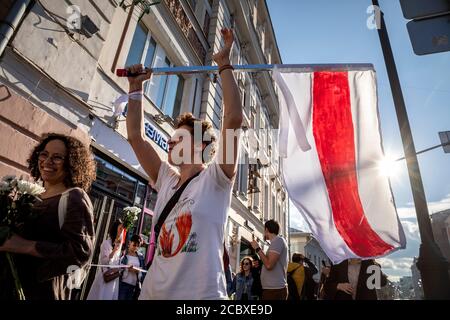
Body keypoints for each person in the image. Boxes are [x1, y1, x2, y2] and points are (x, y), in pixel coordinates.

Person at [125, 28, 242, 300]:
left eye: (179, 138)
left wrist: (224, 64)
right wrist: (135, 89)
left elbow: (233, 120)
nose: (169, 142)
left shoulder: (216, 179)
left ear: (201, 145)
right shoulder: (167, 178)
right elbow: (135, 137)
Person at [0, 133, 96, 300]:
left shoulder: (74, 197)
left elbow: (80, 253)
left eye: (57, 157)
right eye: (44, 154)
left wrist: (25, 246)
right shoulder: (31, 194)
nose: (47, 161)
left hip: (41, 293)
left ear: (71, 163)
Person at [251, 220, 288, 300]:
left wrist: (257, 248)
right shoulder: (276, 242)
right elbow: (269, 263)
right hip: (272, 289)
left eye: (264, 230)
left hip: (275, 290)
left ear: (267, 229)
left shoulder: (278, 241)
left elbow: (269, 265)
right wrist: (261, 263)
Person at [87, 220, 124, 300]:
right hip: (105, 277)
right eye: (120, 228)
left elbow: (116, 262)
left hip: (114, 278)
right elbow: (103, 261)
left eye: (123, 229)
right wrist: (114, 251)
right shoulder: (106, 243)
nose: (122, 231)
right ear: (115, 229)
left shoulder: (119, 244)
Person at [118, 234, 145, 300]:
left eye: (138, 246)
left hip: (133, 287)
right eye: (134, 245)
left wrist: (138, 271)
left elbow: (143, 272)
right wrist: (127, 269)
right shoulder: (124, 255)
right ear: (130, 242)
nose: (135, 247)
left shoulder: (140, 257)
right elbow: (118, 268)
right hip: (123, 284)